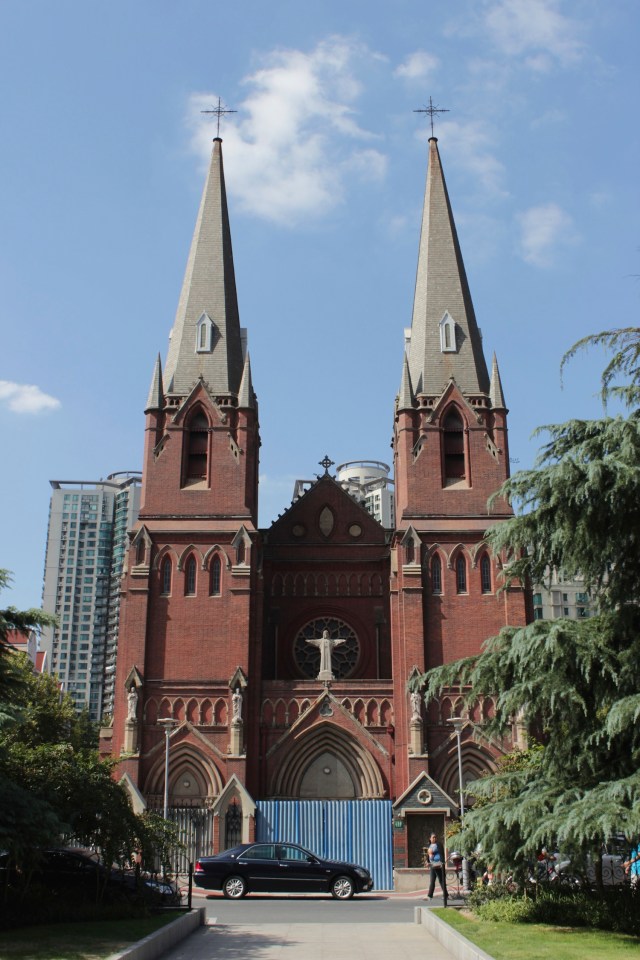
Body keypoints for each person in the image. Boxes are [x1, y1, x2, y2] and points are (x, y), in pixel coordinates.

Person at [425, 832, 448, 906]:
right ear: (430, 838)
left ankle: (445, 895)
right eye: (433, 837)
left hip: (438, 865)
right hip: (432, 865)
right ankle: (429, 896)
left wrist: (442, 863)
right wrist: (427, 862)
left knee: (441, 880)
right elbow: (428, 856)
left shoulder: (438, 844)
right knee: (432, 881)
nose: (434, 838)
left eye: (435, 837)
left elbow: (441, 854)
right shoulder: (429, 845)